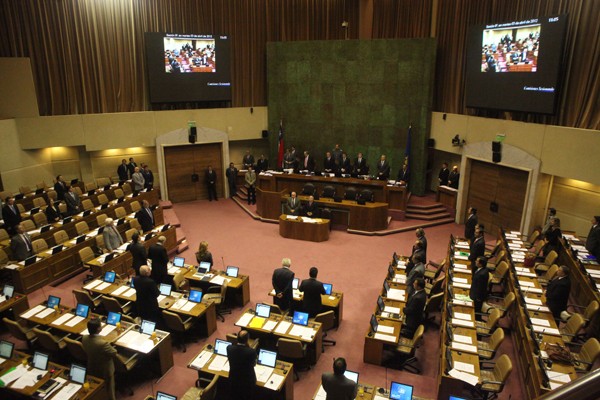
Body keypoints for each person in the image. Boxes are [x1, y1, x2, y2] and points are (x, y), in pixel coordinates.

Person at [82, 318, 118, 400]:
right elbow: (114, 352)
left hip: (92, 366)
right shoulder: (102, 344)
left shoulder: (84, 338)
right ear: (98, 329)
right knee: (110, 389)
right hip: (105, 369)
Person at [226, 330, 257, 400]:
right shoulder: (251, 352)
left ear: (237, 338)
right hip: (248, 381)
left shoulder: (229, 348)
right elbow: (254, 364)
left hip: (233, 378)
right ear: (247, 339)